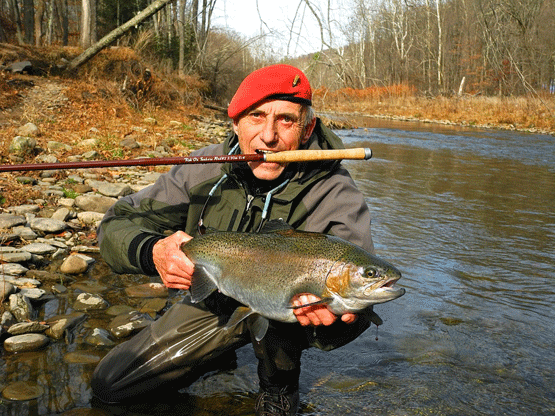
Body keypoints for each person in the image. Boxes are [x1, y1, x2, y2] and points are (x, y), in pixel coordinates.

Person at [91, 64, 377, 416]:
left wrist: (331, 321)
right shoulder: (202, 170)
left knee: (294, 304)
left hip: (282, 316)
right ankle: (217, 352)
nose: (268, 137)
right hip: (214, 300)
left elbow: (363, 290)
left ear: (307, 130)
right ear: (235, 123)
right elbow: (116, 223)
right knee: (110, 386)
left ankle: (279, 387)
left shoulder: (335, 194)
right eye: (256, 117)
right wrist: (154, 252)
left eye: (286, 120)